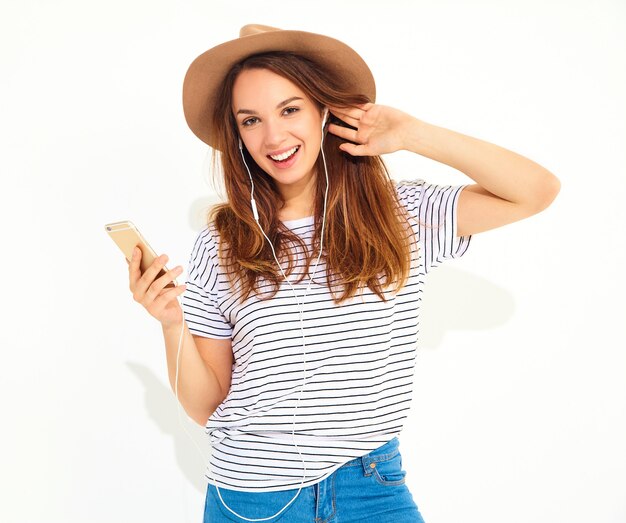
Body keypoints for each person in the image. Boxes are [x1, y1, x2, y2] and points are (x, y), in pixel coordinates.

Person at [127, 24, 560, 523]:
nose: (273, 136)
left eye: (290, 109)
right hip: (252, 499)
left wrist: (412, 134)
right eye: (251, 120)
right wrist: (170, 323)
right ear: (238, 135)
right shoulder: (223, 243)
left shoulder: (402, 215)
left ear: (324, 110)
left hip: (371, 486)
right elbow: (207, 406)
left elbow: (536, 190)